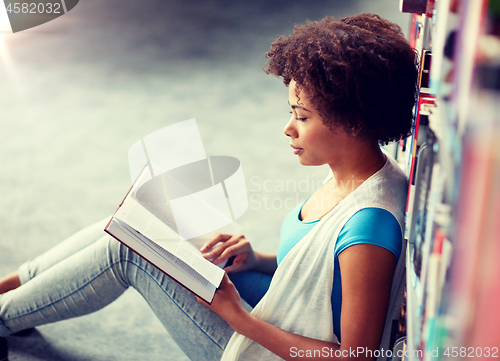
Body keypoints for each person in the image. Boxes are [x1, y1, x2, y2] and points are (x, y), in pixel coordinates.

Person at [0, 13, 418, 361]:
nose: (288, 128)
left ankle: (2, 314)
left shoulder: (369, 231)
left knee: (127, 248)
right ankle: (9, 289)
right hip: (270, 309)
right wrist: (257, 258)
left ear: (353, 122)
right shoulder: (355, 169)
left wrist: (239, 319)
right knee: (141, 218)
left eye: (302, 117)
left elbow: (354, 357)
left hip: (259, 345)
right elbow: (325, 277)